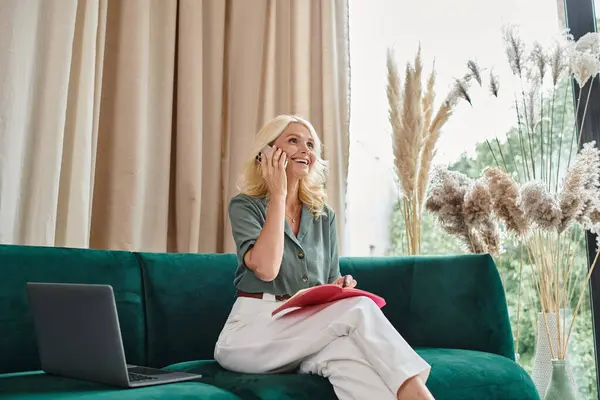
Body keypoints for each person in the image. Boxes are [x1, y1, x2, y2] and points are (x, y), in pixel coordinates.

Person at [214, 114, 434, 400]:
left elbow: (329, 279)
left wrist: (339, 284)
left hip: (305, 328)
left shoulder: (323, 216)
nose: (305, 150)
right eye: (293, 141)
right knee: (360, 307)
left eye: (310, 144)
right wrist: (278, 195)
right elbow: (266, 269)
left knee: (348, 357)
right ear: (266, 153)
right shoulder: (245, 206)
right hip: (251, 333)